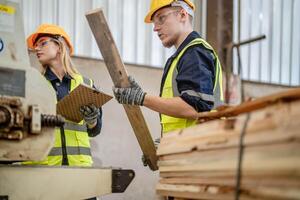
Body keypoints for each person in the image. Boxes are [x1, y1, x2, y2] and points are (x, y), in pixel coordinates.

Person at [113, 0, 223, 135]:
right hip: (185, 148)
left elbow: (194, 108)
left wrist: (142, 98)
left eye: (161, 18)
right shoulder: (181, 56)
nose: (155, 28)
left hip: (196, 149)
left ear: (182, 15)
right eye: (154, 22)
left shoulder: (194, 52)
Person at [26, 24, 102, 167]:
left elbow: (95, 130)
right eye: (35, 45)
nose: (36, 48)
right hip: (43, 167)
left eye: (42, 43)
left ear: (59, 46)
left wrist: (92, 121)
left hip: (79, 167)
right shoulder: (32, 84)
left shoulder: (85, 84)